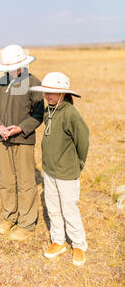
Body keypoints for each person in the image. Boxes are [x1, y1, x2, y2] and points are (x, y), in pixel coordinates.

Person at [30, 72, 89, 266]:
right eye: (46, 93)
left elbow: (83, 140)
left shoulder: (70, 113)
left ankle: (79, 244)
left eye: (52, 93)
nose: (47, 96)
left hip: (66, 173)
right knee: (53, 208)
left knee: (69, 209)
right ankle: (58, 240)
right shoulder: (49, 111)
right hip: (49, 171)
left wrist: (78, 164)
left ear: (63, 94)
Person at [0, 45, 44, 241]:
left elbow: (38, 114)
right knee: (6, 181)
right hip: (2, 139)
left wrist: (20, 128)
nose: (10, 70)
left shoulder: (34, 83)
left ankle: (27, 224)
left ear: (22, 64)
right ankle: (9, 217)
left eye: (14, 66)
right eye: (7, 67)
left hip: (24, 140)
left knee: (27, 182)